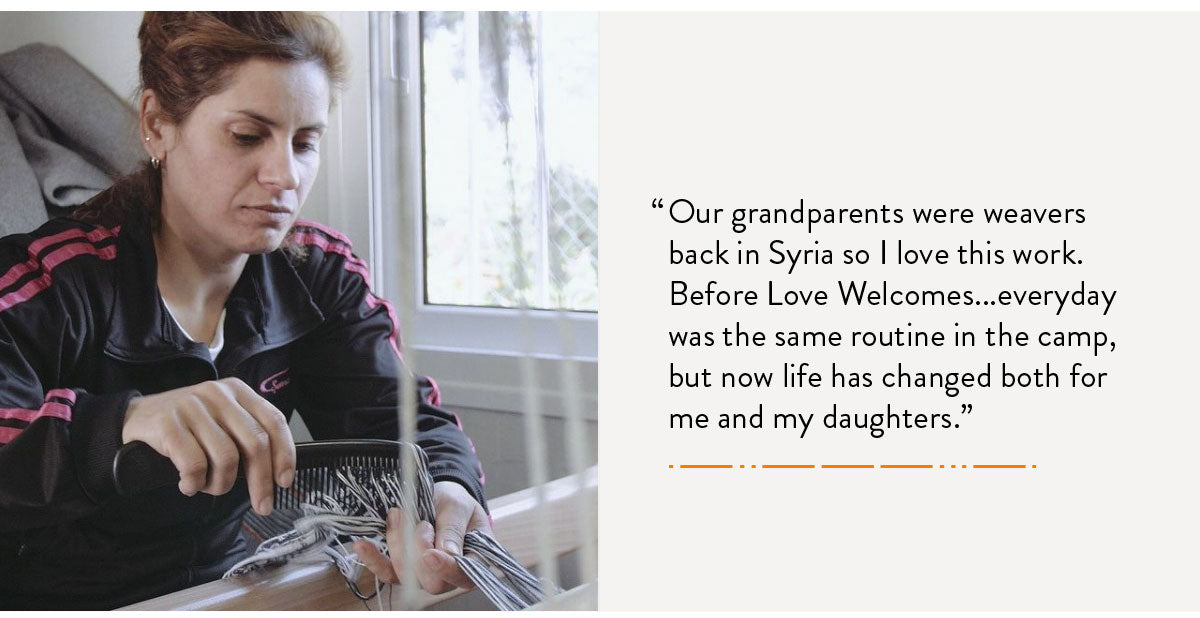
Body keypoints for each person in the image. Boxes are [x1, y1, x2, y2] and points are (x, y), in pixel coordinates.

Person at [0, 12, 489, 609]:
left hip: (217, 594)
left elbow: (406, 427)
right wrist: (123, 424)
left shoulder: (317, 273)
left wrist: (447, 488)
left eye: (305, 142)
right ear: (156, 125)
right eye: (247, 136)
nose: (284, 174)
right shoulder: (44, 280)